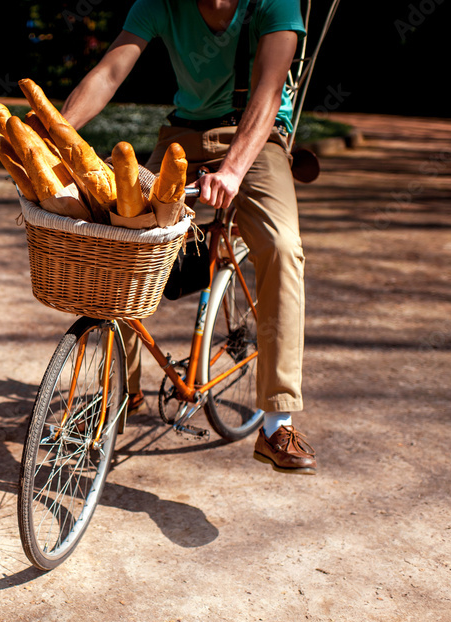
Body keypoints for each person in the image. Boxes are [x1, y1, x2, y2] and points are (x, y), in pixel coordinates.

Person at [61, 0, 316, 473]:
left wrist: (235, 169)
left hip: (256, 140)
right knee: (119, 238)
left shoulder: (272, 3)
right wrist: (56, 134)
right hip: (183, 137)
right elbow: (109, 72)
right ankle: (123, 389)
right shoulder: (160, 2)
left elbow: (268, 87)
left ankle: (276, 423)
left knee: (281, 247)